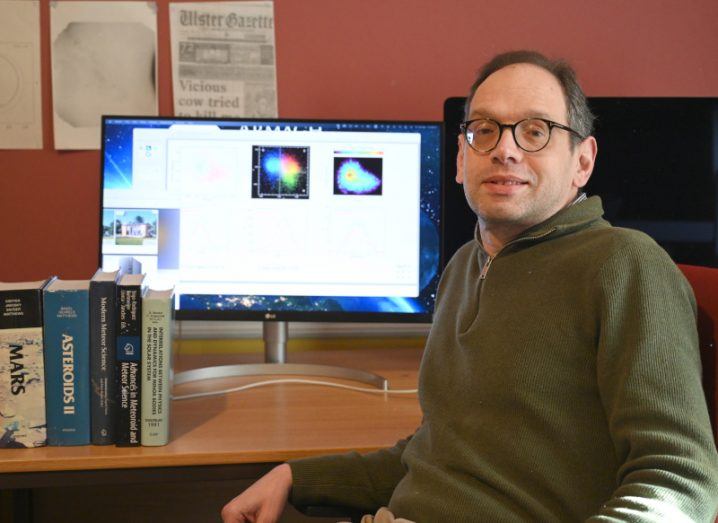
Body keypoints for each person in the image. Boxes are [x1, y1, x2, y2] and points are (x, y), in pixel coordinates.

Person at [221, 50, 718, 522]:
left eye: (535, 131)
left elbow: (679, 482)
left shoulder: (625, 265)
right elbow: (436, 455)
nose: (505, 148)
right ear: (461, 157)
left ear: (582, 162)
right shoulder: (463, 265)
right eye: (485, 130)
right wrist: (297, 476)